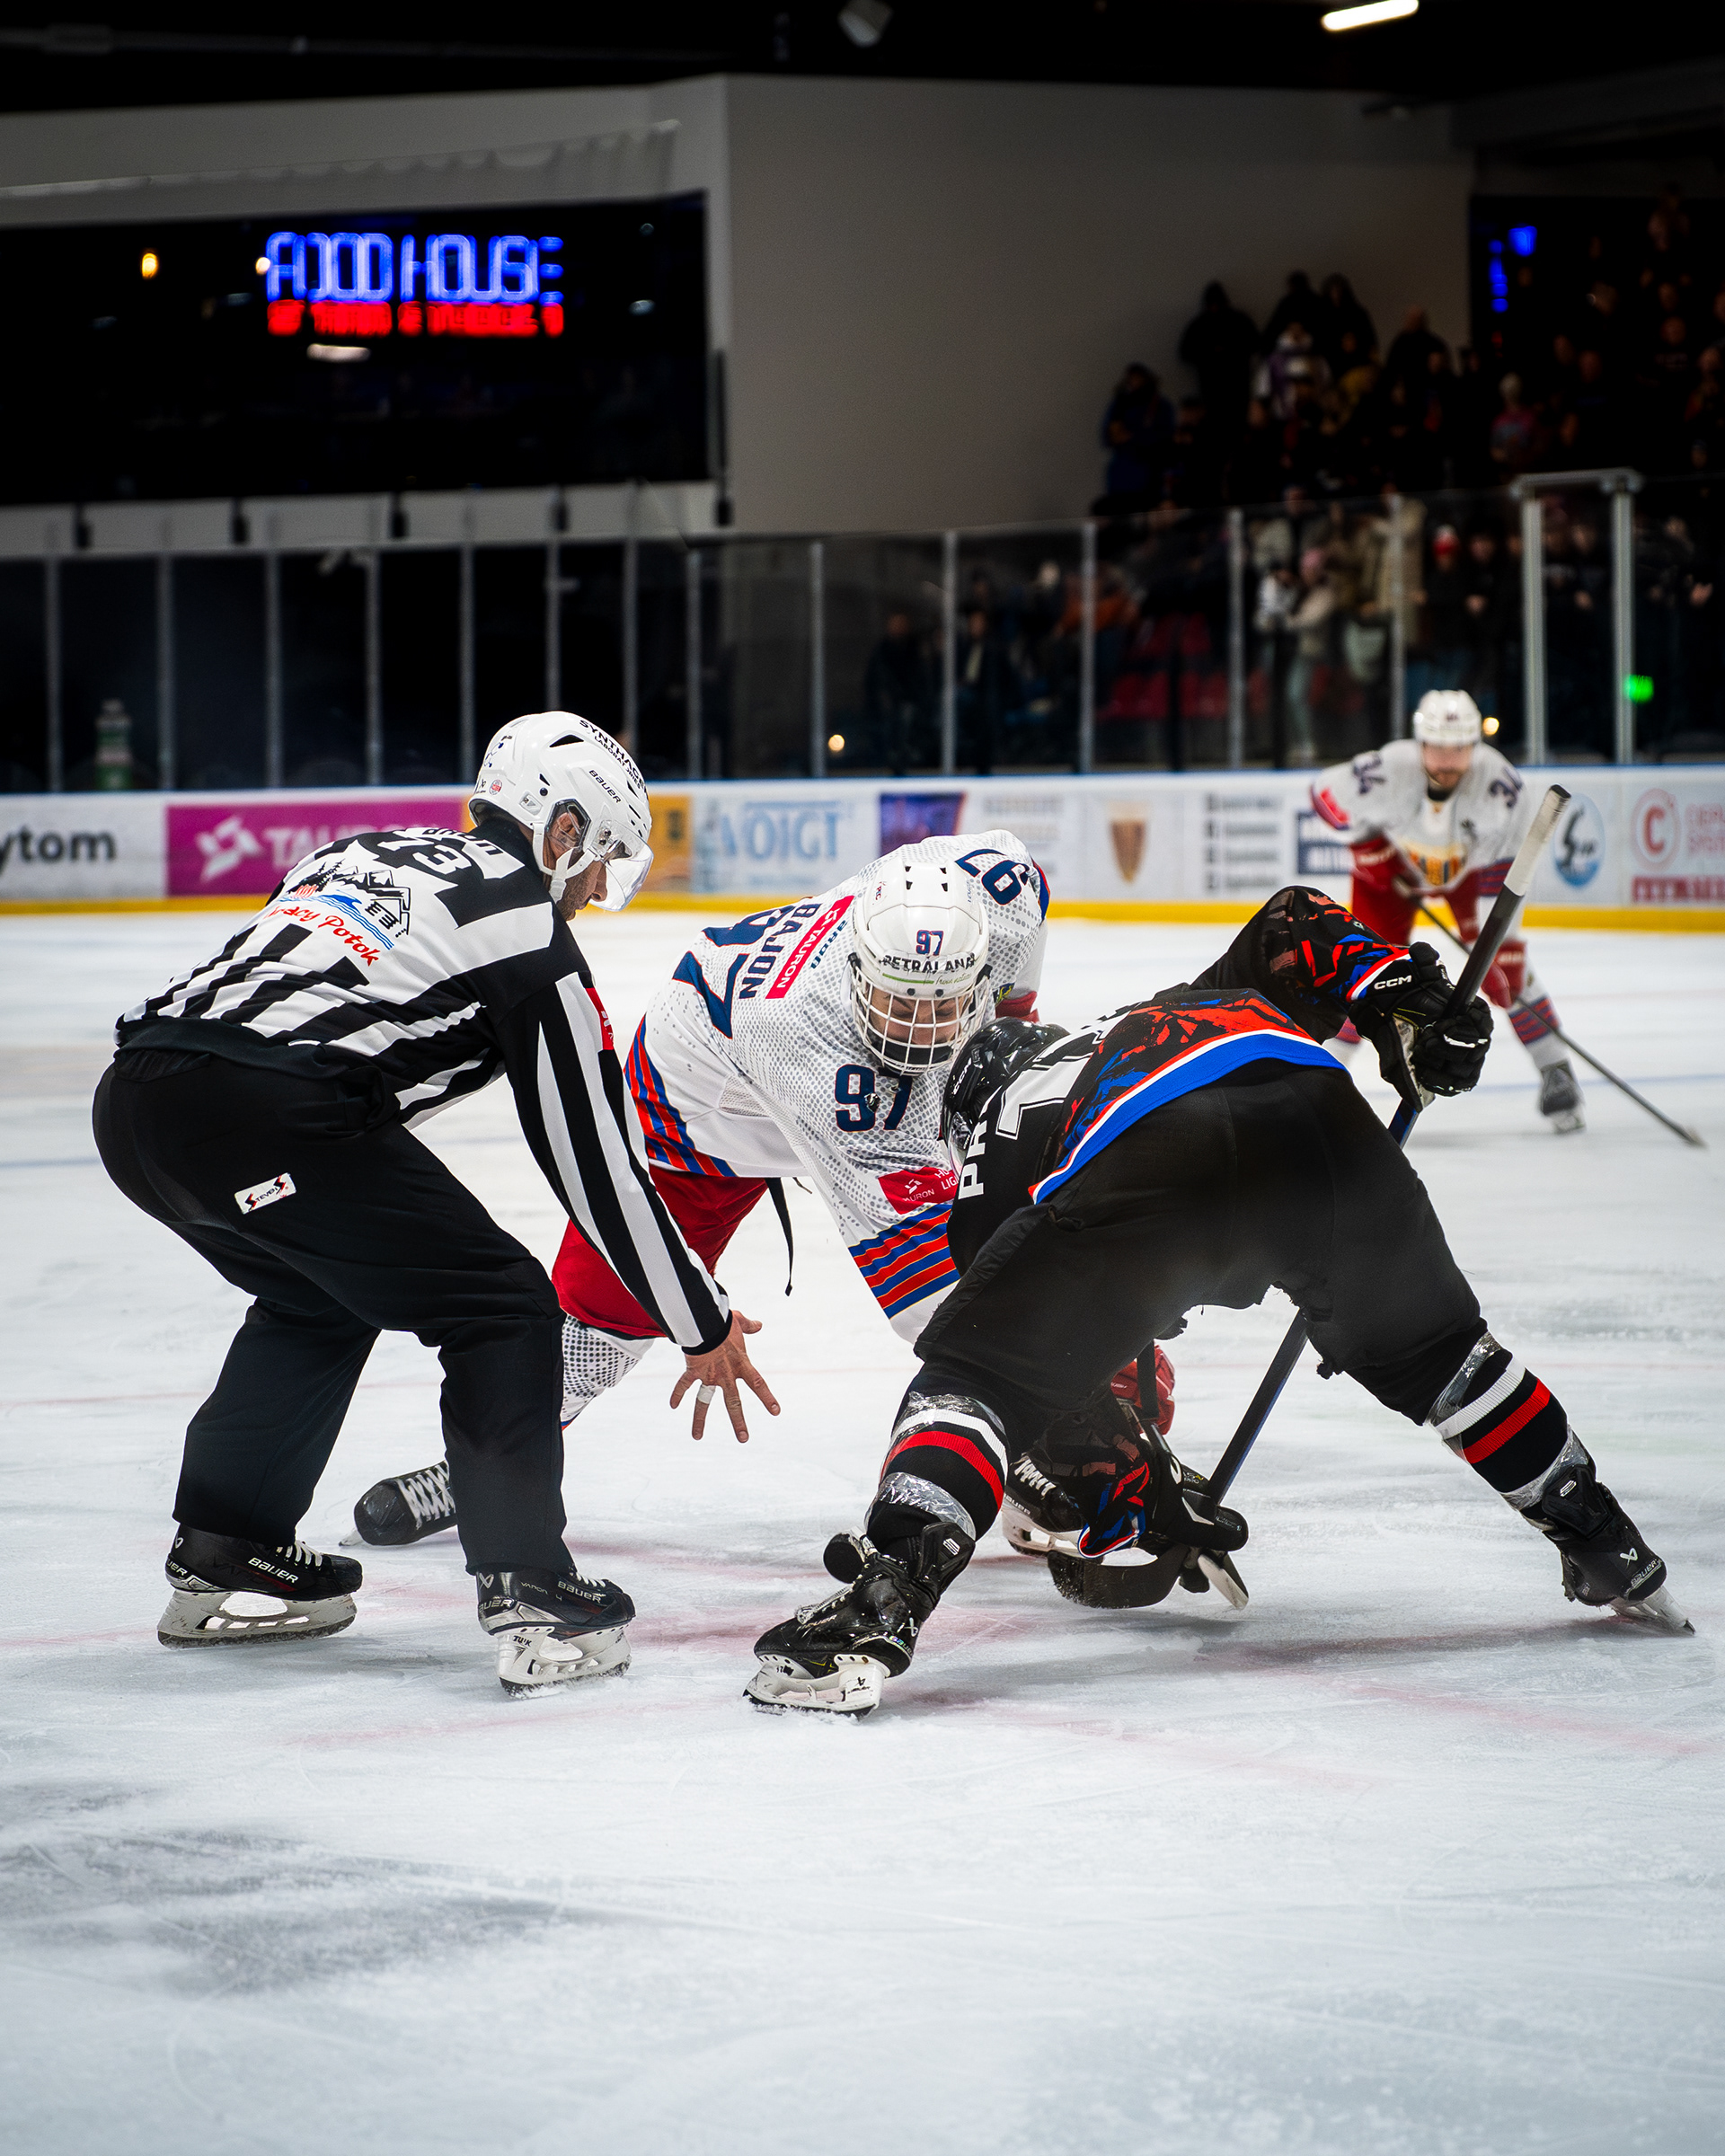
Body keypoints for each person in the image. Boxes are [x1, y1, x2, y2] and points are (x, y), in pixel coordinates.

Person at [744, 888, 1688, 1716]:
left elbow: (1048, 1384)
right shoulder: (1175, 1005)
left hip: (1155, 1161)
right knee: (1446, 1359)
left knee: (972, 1380)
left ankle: (883, 1601)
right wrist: (1402, 999)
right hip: (1320, 1123)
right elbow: (1294, 921)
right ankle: (1605, 1539)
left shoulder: (991, 1146)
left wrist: (1137, 1488)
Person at [93, 712, 774, 1695]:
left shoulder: (357, 853)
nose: (595, 891)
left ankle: (227, 1551)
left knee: (316, 1297)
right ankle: (530, 1587)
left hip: (135, 1100)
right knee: (504, 1306)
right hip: (270, 1113)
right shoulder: (530, 935)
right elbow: (594, 1166)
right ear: (563, 830)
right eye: (600, 862)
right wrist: (698, 1318)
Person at [353, 832, 1075, 1549]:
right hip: (702, 1114)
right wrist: (1075, 1375)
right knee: (608, 1317)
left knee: (1019, 1231)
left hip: (828, 1074)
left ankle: (1018, 1443)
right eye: (898, 1003)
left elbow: (1013, 990)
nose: (917, 1034)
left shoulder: (1004, 888)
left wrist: (1005, 1044)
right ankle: (483, 1466)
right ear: (858, 967)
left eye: (938, 1004)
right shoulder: (802, 1034)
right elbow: (928, 1300)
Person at [1310, 690, 1586, 1131]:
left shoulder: (1501, 784)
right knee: (1362, 972)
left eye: (1459, 748)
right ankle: (1320, 1078)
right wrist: (1366, 847)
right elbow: (1324, 794)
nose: (1447, 760)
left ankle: (1556, 1069)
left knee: (1506, 974)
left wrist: (1504, 944)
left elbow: (1509, 869)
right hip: (1392, 875)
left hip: (1470, 876)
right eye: (1438, 746)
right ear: (1420, 742)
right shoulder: (1389, 767)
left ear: (1475, 745)